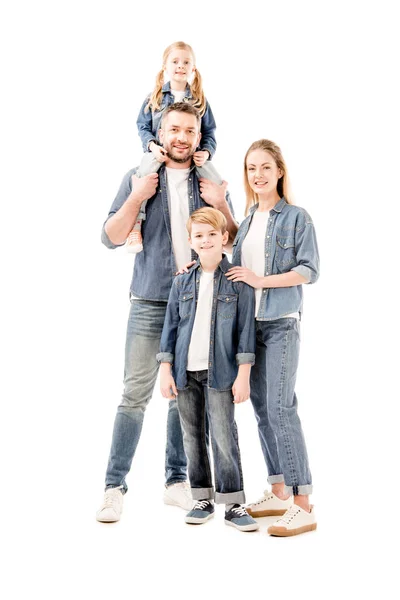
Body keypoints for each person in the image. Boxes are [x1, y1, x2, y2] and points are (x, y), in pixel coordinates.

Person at [96, 103, 237, 523]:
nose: (181, 137)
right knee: (134, 395)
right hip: (149, 299)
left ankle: (177, 482)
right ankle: (113, 486)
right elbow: (110, 237)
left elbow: (232, 243)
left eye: (189, 131)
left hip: (197, 303)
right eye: (173, 128)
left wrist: (224, 205)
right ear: (161, 130)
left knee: (184, 396)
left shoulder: (208, 182)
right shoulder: (139, 177)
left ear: (198, 137)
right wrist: (138, 196)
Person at [226, 139, 320, 537]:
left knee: (282, 408)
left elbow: (309, 270)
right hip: (252, 327)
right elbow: (232, 269)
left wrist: (262, 281)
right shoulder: (246, 221)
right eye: (251, 168)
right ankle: (278, 490)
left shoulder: (297, 217)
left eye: (266, 167)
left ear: (279, 171)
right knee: (263, 410)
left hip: (281, 322)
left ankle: (302, 503)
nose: (258, 175)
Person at [157, 207, 259, 532]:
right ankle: (202, 496)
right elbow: (170, 327)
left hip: (222, 372)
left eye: (212, 234)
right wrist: (166, 368)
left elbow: (245, 332)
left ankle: (233, 502)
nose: (205, 240)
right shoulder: (181, 281)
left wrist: (243, 375)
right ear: (190, 240)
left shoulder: (237, 283)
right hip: (186, 372)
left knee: (224, 435)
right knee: (191, 435)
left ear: (224, 237)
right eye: (198, 235)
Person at [127, 41, 221, 254]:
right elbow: (142, 127)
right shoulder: (155, 97)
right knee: (141, 179)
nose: (181, 65)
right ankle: (136, 226)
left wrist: (206, 152)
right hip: (158, 154)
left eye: (186, 62)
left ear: (193, 69)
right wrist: (151, 146)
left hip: (191, 155)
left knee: (215, 180)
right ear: (165, 66)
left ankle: (218, 229)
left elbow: (209, 132)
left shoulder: (199, 100)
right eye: (175, 61)